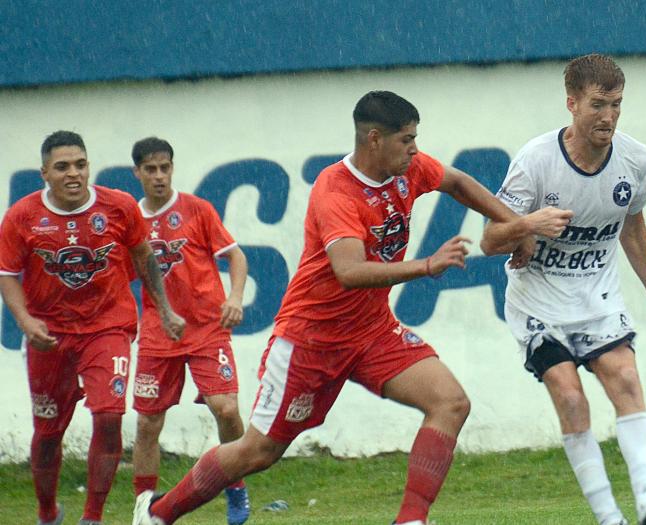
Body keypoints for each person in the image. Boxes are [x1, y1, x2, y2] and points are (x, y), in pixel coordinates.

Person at [133, 90, 569, 525]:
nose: (415, 149)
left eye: (416, 138)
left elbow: (457, 182)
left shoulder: (408, 168)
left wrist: (512, 225)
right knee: (258, 451)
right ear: (374, 139)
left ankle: (411, 521)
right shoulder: (335, 190)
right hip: (310, 341)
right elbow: (349, 270)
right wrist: (426, 265)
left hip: (373, 332)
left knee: (451, 403)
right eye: (407, 140)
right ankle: (159, 515)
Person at [481, 54, 646, 525]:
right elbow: (488, 239)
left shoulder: (636, 160)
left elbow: (631, 226)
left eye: (617, 105)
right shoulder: (535, 162)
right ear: (572, 103)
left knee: (624, 378)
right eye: (598, 105)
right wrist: (528, 224)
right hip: (538, 302)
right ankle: (609, 518)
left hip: (596, 297)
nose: (609, 117)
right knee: (571, 395)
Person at [0, 131, 185, 525]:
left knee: (108, 415)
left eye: (81, 164)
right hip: (50, 337)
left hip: (107, 328)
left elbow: (145, 256)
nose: (74, 174)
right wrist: (25, 320)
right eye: (62, 167)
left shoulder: (117, 207)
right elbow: (7, 274)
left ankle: (92, 517)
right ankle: (48, 512)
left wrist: (165, 310)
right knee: (48, 432)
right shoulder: (23, 216)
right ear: (44, 173)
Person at [128, 137, 252, 525]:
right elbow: (115, 276)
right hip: (157, 332)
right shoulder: (128, 220)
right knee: (148, 421)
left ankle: (235, 486)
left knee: (226, 408)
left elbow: (235, 255)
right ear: (138, 173)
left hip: (206, 328)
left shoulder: (196, 209)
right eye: (151, 169)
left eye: (165, 168)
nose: (160, 176)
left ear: (172, 169)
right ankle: (144, 504)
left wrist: (234, 297)